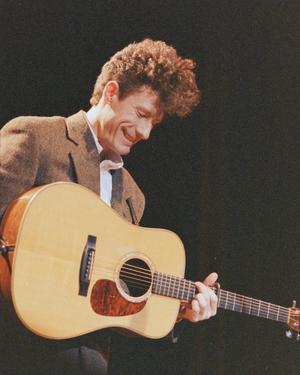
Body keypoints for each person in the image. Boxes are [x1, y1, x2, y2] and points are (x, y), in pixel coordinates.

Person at [0, 39, 218, 375]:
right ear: (111, 92)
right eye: (141, 114)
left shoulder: (132, 195)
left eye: (153, 124)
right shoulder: (37, 138)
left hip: (90, 361)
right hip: (19, 346)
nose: (145, 132)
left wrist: (181, 311)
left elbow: (111, 303)